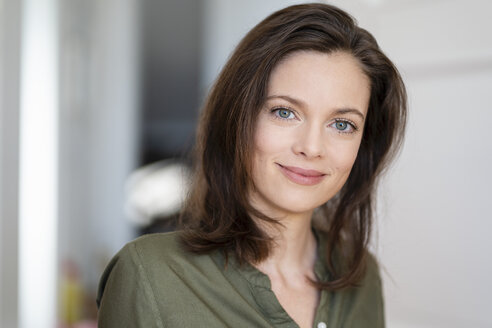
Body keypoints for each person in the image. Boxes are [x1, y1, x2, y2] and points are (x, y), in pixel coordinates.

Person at [96, 3, 407, 328]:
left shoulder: (360, 276)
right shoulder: (150, 275)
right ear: (237, 117)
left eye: (342, 124)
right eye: (285, 112)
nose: (312, 148)